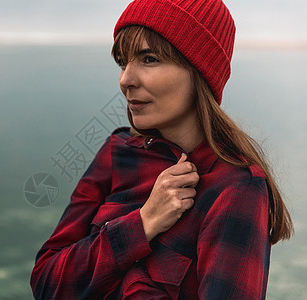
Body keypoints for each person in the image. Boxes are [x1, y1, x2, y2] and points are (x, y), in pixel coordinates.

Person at [30, 0, 294, 298]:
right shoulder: (118, 152)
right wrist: (142, 223)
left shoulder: (236, 187)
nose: (125, 80)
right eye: (123, 62)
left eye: (149, 59)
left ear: (199, 71)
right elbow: (45, 282)